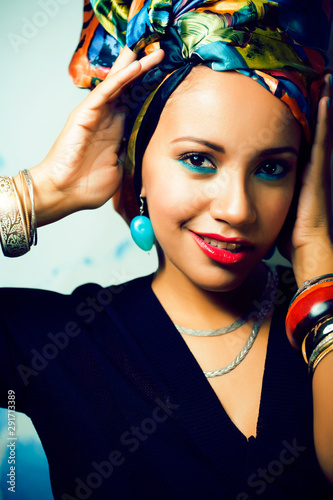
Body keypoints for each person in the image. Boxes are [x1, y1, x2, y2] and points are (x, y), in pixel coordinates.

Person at [0, 0, 333, 498]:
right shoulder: (54, 340)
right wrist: (37, 194)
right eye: (199, 159)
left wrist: (318, 266)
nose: (238, 209)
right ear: (136, 163)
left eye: (271, 167)